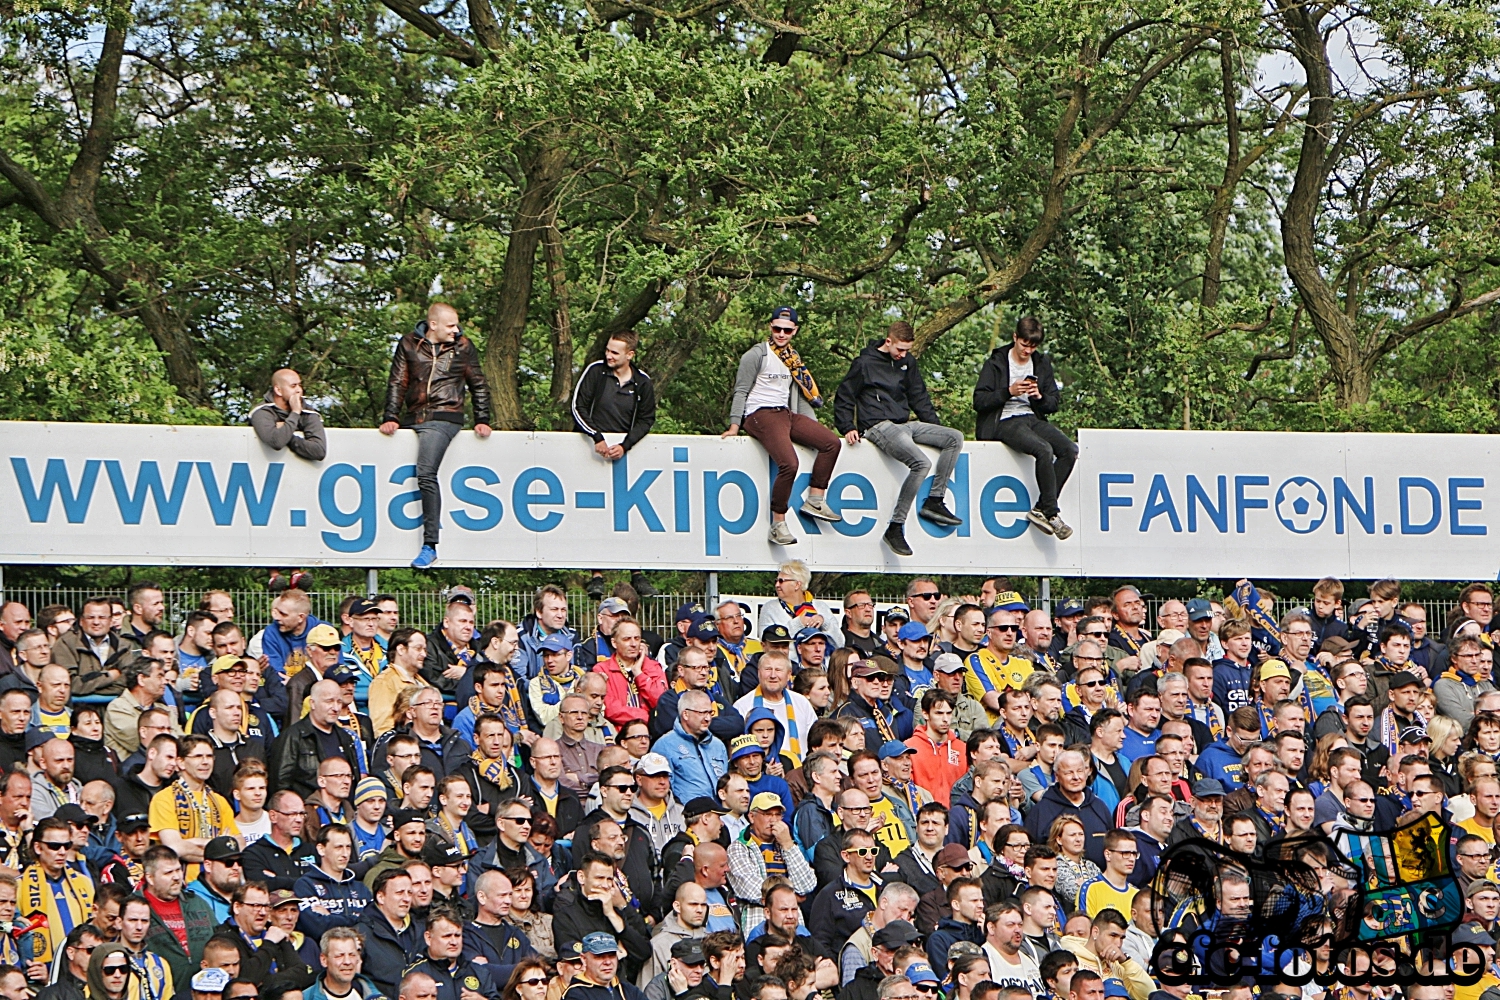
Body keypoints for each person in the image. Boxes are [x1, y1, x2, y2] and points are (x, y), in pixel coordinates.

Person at [833, 321, 965, 555]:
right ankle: (896, 526)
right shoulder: (864, 364)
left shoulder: (907, 363)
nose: (902, 354)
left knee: (954, 437)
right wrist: (847, 426)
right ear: (888, 342)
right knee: (921, 463)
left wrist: (933, 428)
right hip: (877, 425)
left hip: (905, 423)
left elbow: (919, 396)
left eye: (906, 351)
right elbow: (845, 396)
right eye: (899, 350)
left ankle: (935, 500)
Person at [379, 301, 493, 568]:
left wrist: (482, 419)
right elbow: (397, 381)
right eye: (451, 325)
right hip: (413, 416)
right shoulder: (408, 343)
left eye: (456, 325)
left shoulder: (463, 346)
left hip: (445, 416)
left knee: (426, 472)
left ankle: (430, 544)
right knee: (392, 471)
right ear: (434, 325)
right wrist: (390, 417)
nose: (456, 330)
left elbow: (479, 383)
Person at [723, 306, 843, 546]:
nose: (781, 334)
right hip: (760, 413)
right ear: (770, 327)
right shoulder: (757, 354)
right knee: (789, 463)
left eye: (787, 330)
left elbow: (801, 396)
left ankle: (815, 499)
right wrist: (735, 424)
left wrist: (811, 427)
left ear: (794, 331)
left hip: (785, 413)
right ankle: (778, 523)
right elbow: (741, 390)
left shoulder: (793, 359)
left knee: (831, 443)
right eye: (777, 328)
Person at [972, 316, 1074, 538]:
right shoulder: (996, 362)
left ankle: (1040, 508)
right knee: (1043, 449)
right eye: (1024, 344)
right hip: (1004, 420)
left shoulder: (1041, 363)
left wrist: (1038, 396)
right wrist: (1009, 392)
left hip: (1031, 417)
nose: (1028, 351)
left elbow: (1053, 402)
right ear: (1015, 337)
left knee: (1069, 450)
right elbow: (979, 401)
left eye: (1033, 346)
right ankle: (1052, 513)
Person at [139, 845, 218, 989]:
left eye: (178, 870)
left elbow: (219, 939)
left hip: (204, 992)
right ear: (150, 878)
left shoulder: (197, 902)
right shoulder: (135, 908)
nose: (176, 877)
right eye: (168, 873)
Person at [270, 680, 360, 801]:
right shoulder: (292, 737)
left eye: (339, 702)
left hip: (343, 813)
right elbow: (280, 784)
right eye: (329, 701)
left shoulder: (346, 737)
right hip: (306, 812)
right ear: (312, 703)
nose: (335, 708)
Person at [640, 882, 709, 986]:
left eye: (703, 905)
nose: (699, 910)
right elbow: (647, 989)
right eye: (693, 904)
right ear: (677, 906)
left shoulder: (711, 941)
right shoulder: (659, 944)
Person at [249, 369, 326, 460]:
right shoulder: (262, 411)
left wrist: (288, 433)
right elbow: (276, 442)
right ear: (278, 390)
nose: (299, 390)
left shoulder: (308, 412)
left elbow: (319, 451)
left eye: (299, 385)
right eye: (293, 386)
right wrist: (295, 414)